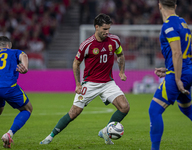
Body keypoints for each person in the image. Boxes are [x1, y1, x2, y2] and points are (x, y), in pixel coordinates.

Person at [40, 13, 130, 145]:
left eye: (109, 29)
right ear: (97, 27)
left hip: (108, 83)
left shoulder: (114, 40)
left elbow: (120, 55)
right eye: (104, 29)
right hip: (90, 83)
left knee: (124, 107)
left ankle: (106, 131)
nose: (107, 32)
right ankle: (50, 136)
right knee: (74, 112)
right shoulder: (86, 45)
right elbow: (76, 63)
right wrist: (78, 84)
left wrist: (121, 72)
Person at [149, 0, 192, 150]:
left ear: (159, 5)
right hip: (188, 71)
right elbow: (188, 54)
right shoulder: (183, 22)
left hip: (180, 74)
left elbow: (177, 52)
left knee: (154, 110)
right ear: (175, 6)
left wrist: (176, 78)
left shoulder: (168, 25)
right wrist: (167, 69)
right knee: (187, 109)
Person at [0, 36, 33, 148]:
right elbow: (23, 55)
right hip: (8, 87)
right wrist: (25, 67)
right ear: (8, 45)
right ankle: (9, 134)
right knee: (27, 109)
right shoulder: (13, 51)